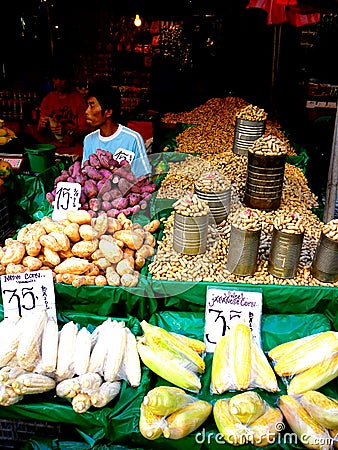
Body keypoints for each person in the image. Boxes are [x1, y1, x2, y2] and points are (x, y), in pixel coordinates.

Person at [82, 81, 151, 179]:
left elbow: (144, 176)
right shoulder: (89, 140)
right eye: (87, 106)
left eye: (92, 106)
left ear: (108, 112)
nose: (86, 111)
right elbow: (85, 174)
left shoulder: (132, 139)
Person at [37, 67, 89, 147]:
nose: (59, 83)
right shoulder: (47, 100)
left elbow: (86, 131)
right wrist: (42, 126)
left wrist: (67, 130)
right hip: (52, 148)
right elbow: (40, 132)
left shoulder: (79, 100)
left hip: (74, 148)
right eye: (56, 79)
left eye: (62, 79)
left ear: (68, 80)